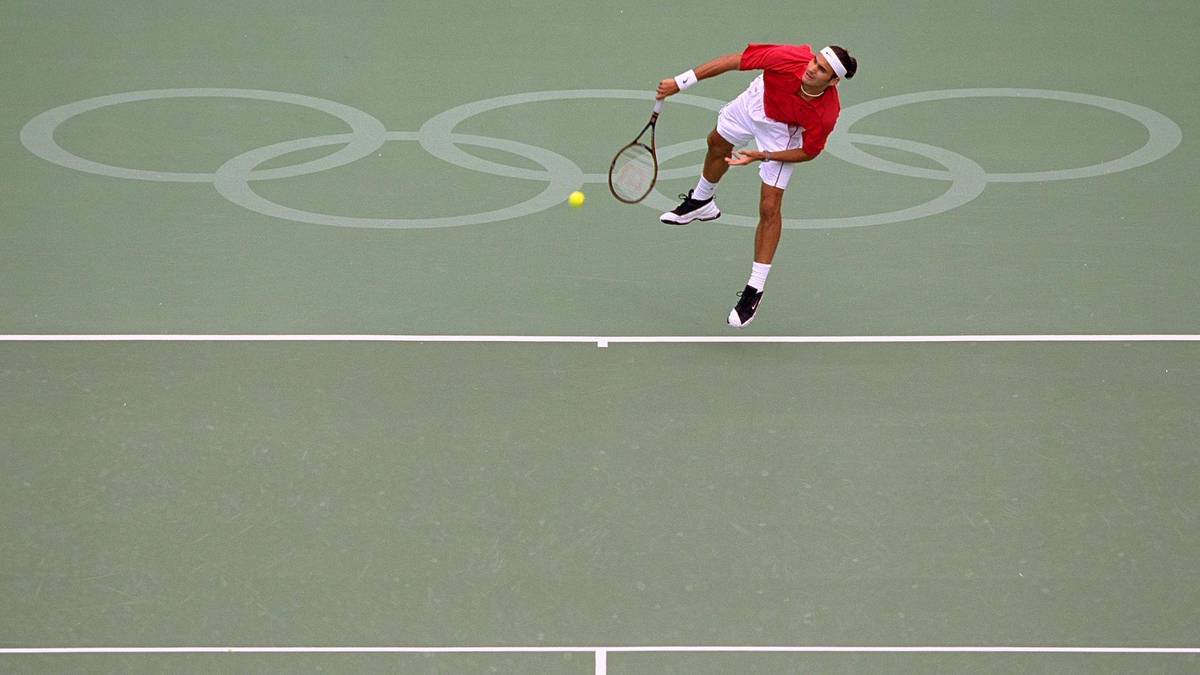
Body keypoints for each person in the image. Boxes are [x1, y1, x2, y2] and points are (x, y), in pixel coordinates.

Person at [656, 43, 858, 327]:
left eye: (821, 70)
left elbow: (808, 152)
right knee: (716, 143)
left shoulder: (826, 113)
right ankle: (702, 201)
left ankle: (754, 289)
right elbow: (734, 60)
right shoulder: (789, 58)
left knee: (769, 206)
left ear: (833, 81)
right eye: (814, 61)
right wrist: (681, 82)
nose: (812, 69)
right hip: (757, 100)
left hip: (783, 132)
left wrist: (763, 155)